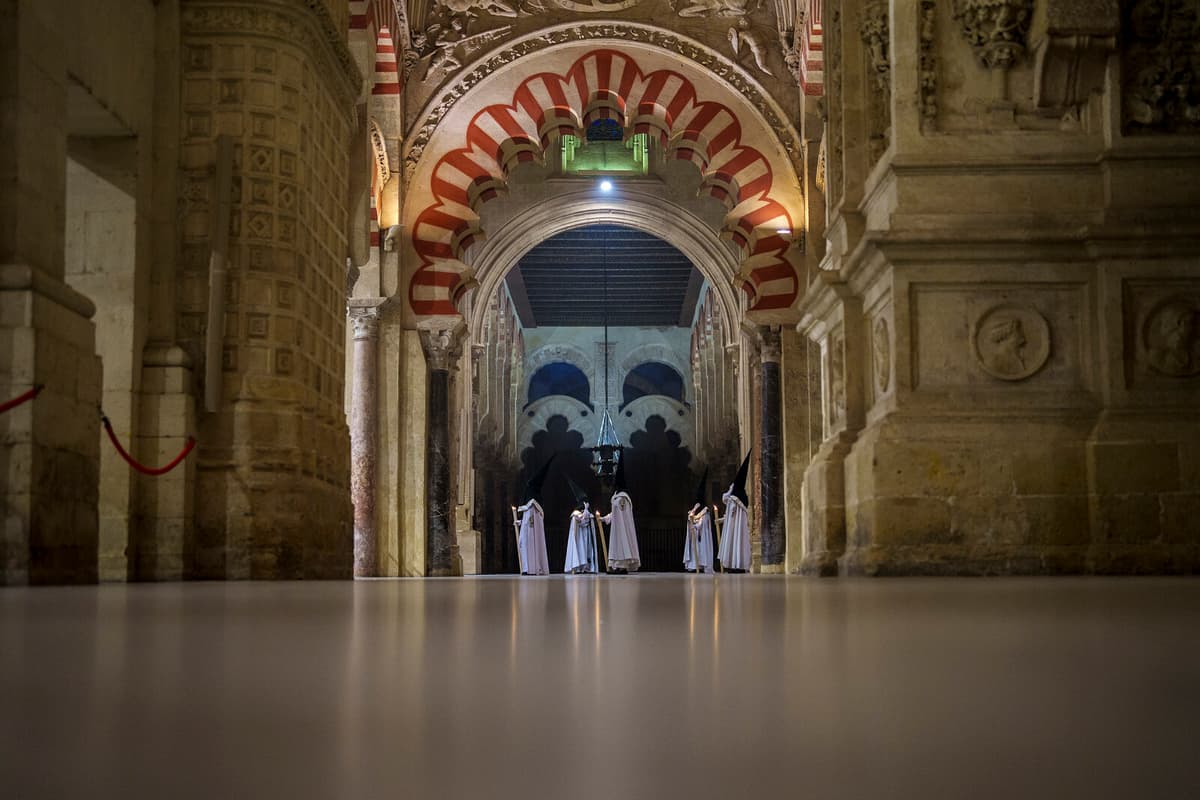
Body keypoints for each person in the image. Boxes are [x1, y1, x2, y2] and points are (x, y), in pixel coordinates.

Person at [599, 458, 640, 574]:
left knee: (622, 544)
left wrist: (620, 526)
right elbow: (615, 514)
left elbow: (622, 516)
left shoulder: (623, 498)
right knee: (617, 545)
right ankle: (617, 566)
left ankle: (622, 566)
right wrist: (604, 518)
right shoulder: (617, 496)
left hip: (622, 529)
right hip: (617, 528)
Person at [513, 457, 553, 576]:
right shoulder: (530, 505)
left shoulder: (533, 504)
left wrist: (521, 511)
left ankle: (531, 568)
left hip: (530, 533)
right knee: (523, 544)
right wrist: (519, 522)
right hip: (528, 530)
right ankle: (528, 567)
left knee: (528, 545)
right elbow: (527, 520)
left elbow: (530, 520)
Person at [716, 452, 752, 573]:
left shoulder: (733, 498)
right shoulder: (742, 497)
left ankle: (735, 565)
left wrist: (731, 490)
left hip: (732, 528)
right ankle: (738, 564)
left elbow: (725, 499)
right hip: (738, 527)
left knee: (734, 544)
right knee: (739, 544)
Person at [564, 476, 600, 574]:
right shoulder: (576, 514)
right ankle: (578, 566)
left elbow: (587, 520)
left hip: (586, 535)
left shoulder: (587, 512)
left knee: (586, 549)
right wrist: (584, 514)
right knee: (579, 549)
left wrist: (587, 514)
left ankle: (586, 567)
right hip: (579, 536)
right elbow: (581, 520)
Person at [683, 468, 715, 574]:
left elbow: (702, 524)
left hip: (701, 537)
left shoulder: (705, 511)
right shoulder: (695, 508)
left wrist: (695, 526)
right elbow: (691, 518)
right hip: (695, 537)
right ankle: (694, 565)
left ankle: (701, 565)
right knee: (695, 550)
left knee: (701, 550)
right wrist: (690, 521)